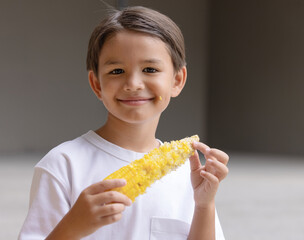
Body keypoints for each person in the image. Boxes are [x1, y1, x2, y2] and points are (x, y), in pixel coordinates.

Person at [19, 6, 229, 240]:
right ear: (97, 84)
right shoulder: (63, 166)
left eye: (150, 69)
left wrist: (204, 206)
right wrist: (73, 226)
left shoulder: (187, 174)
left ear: (177, 80)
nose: (133, 83)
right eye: (117, 71)